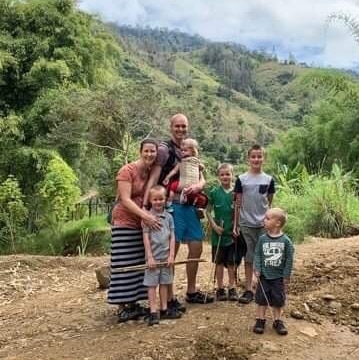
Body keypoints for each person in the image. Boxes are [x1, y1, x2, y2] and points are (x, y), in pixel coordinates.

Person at [144, 113, 214, 310]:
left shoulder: (190, 151)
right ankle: (170, 297)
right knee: (170, 251)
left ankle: (191, 291)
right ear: (171, 127)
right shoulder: (165, 150)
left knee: (196, 246)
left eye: (184, 126)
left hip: (190, 206)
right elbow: (156, 176)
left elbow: (201, 177)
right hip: (172, 205)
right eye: (177, 126)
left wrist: (199, 187)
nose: (181, 130)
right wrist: (146, 202)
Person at [107, 138, 162, 323]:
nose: (149, 154)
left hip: (140, 224)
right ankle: (121, 307)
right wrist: (146, 216)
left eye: (153, 152)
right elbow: (125, 199)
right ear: (140, 152)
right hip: (124, 221)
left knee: (138, 263)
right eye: (146, 151)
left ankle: (132, 303)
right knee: (123, 262)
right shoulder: (127, 171)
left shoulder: (150, 173)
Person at [233, 144, 275, 304]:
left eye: (259, 156)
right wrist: (236, 225)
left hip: (263, 224)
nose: (256, 159)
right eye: (253, 156)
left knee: (264, 256)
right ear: (248, 159)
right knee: (249, 256)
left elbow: (269, 202)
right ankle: (249, 289)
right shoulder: (241, 180)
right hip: (246, 224)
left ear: (263, 158)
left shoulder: (269, 179)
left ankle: (264, 288)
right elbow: (237, 203)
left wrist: (269, 222)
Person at [142, 185, 182, 326]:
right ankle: (153, 311)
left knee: (164, 283)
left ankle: (164, 308)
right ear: (150, 200)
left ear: (165, 200)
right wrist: (150, 257)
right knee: (152, 285)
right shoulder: (147, 218)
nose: (158, 202)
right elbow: (146, 238)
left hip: (166, 258)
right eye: (155, 199)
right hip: (153, 258)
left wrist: (171, 255)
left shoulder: (169, 217)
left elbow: (172, 237)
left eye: (161, 199)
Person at [253, 207, 294, 335]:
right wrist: (257, 269)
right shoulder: (262, 239)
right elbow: (258, 254)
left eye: (267, 218)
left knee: (278, 300)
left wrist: (286, 275)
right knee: (261, 299)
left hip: (278, 277)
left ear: (277, 223)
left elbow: (289, 259)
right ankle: (260, 319)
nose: (264, 220)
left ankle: (278, 320)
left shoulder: (286, 241)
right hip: (264, 276)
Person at [206, 163, 239, 301]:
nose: (225, 177)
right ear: (218, 176)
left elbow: (239, 211)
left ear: (232, 175)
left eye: (228, 174)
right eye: (222, 174)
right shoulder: (214, 192)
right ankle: (220, 288)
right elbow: (207, 210)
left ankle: (232, 287)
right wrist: (214, 226)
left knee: (231, 263)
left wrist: (236, 227)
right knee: (219, 262)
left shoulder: (236, 193)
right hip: (217, 234)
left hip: (232, 235)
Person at [163, 138, 206, 210]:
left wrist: (167, 177)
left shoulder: (183, 161)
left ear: (193, 151)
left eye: (185, 150)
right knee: (174, 185)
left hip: (188, 184)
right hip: (189, 184)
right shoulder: (192, 161)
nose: (183, 152)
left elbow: (174, 171)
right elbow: (175, 171)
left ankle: (170, 201)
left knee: (172, 186)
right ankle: (175, 200)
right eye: (182, 150)